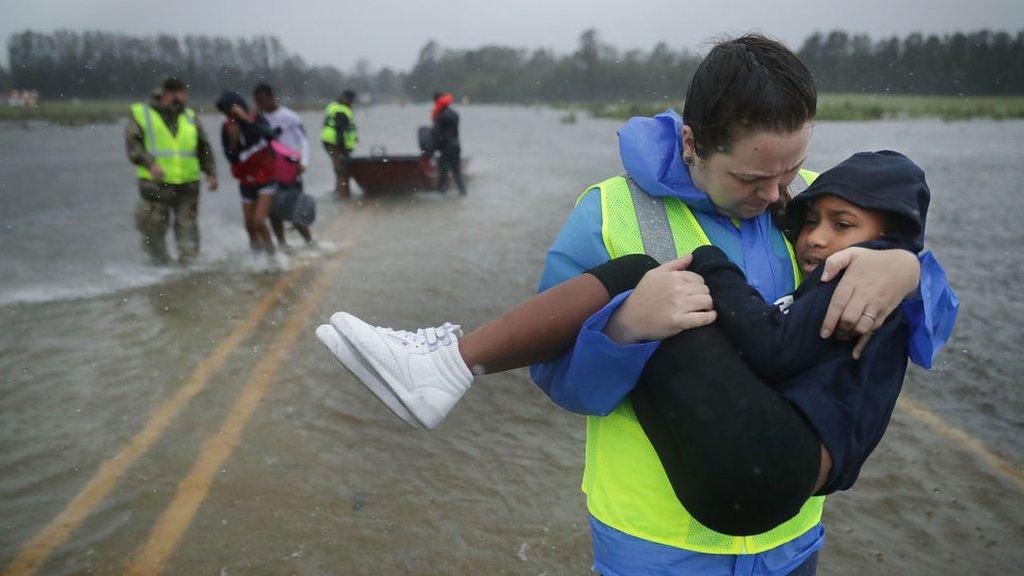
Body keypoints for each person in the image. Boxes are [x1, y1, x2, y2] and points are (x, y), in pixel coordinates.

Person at [318, 35, 958, 575]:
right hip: (655, 548)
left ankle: (445, 362)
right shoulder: (608, 214)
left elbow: (933, 334)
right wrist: (621, 331)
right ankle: (451, 365)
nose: (775, 194)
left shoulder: (823, 206)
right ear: (692, 143)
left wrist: (908, 270)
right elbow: (558, 383)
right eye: (750, 178)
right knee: (634, 279)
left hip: (786, 543)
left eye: (790, 170)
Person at [125, 76, 217, 266]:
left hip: (187, 182)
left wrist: (210, 172)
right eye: (183, 94)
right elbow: (133, 145)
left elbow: (204, 146)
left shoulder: (190, 116)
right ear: (170, 94)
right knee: (152, 225)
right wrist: (150, 164)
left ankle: (189, 270)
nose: (185, 99)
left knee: (187, 227)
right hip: (156, 183)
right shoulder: (142, 113)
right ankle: (159, 267)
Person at [216, 91, 300, 258]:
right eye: (226, 113)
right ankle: (257, 259)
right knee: (249, 225)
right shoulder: (227, 128)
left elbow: (271, 136)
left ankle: (272, 258)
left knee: (259, 221)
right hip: (246, 180)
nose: (230, 116)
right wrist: (233, 139)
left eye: (231, 111)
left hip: (267, 177)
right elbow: (231, 158)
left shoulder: (257, 119)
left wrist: (246, 121)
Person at [253, 83, 315, 252]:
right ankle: (282, 243)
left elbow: (303, 140)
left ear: (271, 97)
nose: (261, 105)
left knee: (295, 207)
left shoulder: (290, 117)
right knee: (273, 210)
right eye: (257, 102)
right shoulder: (258, 119)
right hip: (270, 171)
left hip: (291, 169)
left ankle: (309, 242)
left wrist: (304, 162)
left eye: (263, 100)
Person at [321, 89, 358, 197]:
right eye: (351, 100)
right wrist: (344, 149)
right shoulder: (342, 110)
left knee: (338, 168)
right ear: (345, 98)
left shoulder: (333, 106)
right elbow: (340, 131)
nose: (352, 102)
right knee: (342, 169)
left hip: (328, 141)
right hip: (335, 143)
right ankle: (344, 195)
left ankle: (338, 191)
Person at [432, 92, 466, 195]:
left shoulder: (440, 116)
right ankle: (463, 193)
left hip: (446, 148)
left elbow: (437, 134)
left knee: (442, 174)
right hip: (456, 147)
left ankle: (441, 196)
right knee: (457, 173)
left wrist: (434, 148)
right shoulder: (454, 114)